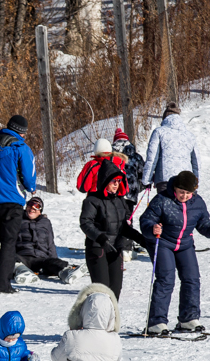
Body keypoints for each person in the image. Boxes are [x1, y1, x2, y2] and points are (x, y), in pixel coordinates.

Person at [139, 171, 210, 334]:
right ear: (175, 189)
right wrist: (152, 228)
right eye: (181, 192)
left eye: (188, 193)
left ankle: (188, 319)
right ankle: (156, 323)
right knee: (166, 279)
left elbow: (203, 223)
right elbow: (146, 220)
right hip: (163, 243)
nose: (184, 196)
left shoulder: (197, 202)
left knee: (192, 279)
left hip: (185, 244)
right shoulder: (162, 200)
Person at [0, 115, 37, 294]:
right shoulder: (21, 147)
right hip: (13, 201)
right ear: (22, 132)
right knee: (8, 243)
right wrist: (30, 187)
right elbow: (29, 175)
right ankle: (2, 285)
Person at [79, 161, 147, 300]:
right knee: (102, 290)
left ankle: (111, 320)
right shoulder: (92, 200)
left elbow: (123, 227)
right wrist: (100, 238)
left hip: (115, 249)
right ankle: (98, 319)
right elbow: (85, 223)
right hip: (97, 248)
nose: (116, 184)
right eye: (113, 181)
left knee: (115, 289)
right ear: (105, 181)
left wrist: (139, 238)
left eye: (118, 181)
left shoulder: (120, 201)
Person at [16, 196, 81, 283]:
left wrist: (55, 261)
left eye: (36, 206)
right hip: (23, 256)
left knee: (52, 262)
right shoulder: (18, 220)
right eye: (30, 205)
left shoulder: (45, 223)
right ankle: (23, 272)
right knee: (13, 259)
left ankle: (66, 273)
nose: (32, 209)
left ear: (40, 211)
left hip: (41, 258)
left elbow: (50, 243)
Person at [142, 103, 200, 195]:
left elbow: (152, 158)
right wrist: (195, 182)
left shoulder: (159, 132)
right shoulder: (190, 135)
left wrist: (146, 180)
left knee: (166, 207)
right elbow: (196, 161)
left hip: (164, 179)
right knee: (184, 208)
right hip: (186, 181)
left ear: (164, 118)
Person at [110, 128, 146, 207]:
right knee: (128, 216)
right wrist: (137, 188)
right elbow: (143, 175)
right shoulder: (136, 157)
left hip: (114, 192)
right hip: (131, 194)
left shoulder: (111, 157)